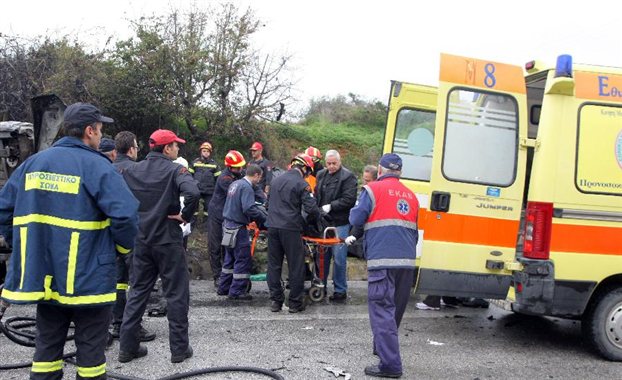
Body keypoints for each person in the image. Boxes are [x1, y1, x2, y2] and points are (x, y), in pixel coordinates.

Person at [0, 103, 139, 380]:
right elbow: (125, 215)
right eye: (99, 131)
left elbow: (4, 210)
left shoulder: (34, 163)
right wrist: (123, 249)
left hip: (45, 277)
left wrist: (25, 246)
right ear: (89, 131)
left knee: (46, 351)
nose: (100, 137)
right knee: (90, 356)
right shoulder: (98, 167)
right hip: (89, 278)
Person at [118, 129, 199, 364]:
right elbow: (193, 192)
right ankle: (179, 350)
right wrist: (185, 216)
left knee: (137, 292)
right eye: (175, 145)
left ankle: (127, 348)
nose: (178, 149)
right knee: (176, 294)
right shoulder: (175, 170)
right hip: (168, 241)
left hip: (140, 240)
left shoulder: (132, 169)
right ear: (166, 149)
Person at [349, 153, 419, 379]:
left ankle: (390, 365)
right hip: (407, 262)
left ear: (380, 170)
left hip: (382, 261)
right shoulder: (411, 195)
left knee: (382, 312)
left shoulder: (371, 190)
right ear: (399, 171)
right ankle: (382, 349)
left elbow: (356, 219)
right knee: (393, 312)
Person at [108, 131, 155, 344]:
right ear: (131, 149)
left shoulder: (105, 169)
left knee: (117, 280)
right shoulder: (136, 169)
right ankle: (133, 327)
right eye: (137, 146)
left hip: (109, 233)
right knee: (137, 282)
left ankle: (116, 322)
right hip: (132, 232)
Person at [266, 154, 320, 313]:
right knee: (296, 266)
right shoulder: (301, 184)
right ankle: (295, 303)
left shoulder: (276, 181)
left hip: (273, 227)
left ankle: (276, 301)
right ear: (305, 168)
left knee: (274, 265)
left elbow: (267, 204)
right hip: (290, 228)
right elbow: (311, 209)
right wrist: (317, 220)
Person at [217, 164, 267, 300]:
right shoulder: (246, 187)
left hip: (227, 225)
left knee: (229, 258)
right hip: (238, 228)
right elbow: (249, 208)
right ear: (256, 175)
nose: (259, 180)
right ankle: (237, 291)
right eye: (259, 177)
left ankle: (224, 287)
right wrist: (265, 218)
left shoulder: (235, 184)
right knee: (242, 258)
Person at [314, 149, 357, 302]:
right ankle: (321, 286)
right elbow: (316, 195)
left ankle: (340, 290)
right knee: (322, 257)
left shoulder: (348, 177)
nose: (331, 166)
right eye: (329, 163)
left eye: (334, 163)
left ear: (340, 162)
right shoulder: (321, 175)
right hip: (323, 222)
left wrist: (331, 206)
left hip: (340, 223)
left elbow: (349, 199)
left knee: (339, 258)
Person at [206, 150, 246, 287]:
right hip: (217, 215)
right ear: (230, 167)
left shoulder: (240, 174)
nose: (241, 169)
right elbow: (238, 194)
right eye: (238, 167)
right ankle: (217, 277)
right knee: (215, 246)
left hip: (228, 215)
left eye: (241, 166)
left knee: (228, 247)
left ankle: (227, 276)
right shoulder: (225, 179)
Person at [345, 165, 379, 258]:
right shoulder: (363, 193)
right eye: (364, 179)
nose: (365, 183)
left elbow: (360, 218)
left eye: (368, 181)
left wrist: (354, 235)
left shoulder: (373, 194)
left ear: (376, 180)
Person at [189, 142, 220, 216]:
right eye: (204, 151)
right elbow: (189, 176)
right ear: (201, 152)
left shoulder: (214, 164)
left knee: (209, 211)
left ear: (210, 153)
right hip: (196, 190)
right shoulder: (194, 162)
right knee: (193, 211)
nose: (206, 153)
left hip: (209, 191)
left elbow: (218, 179)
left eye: (208, 151)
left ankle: (207, 227)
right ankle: (193, 227)